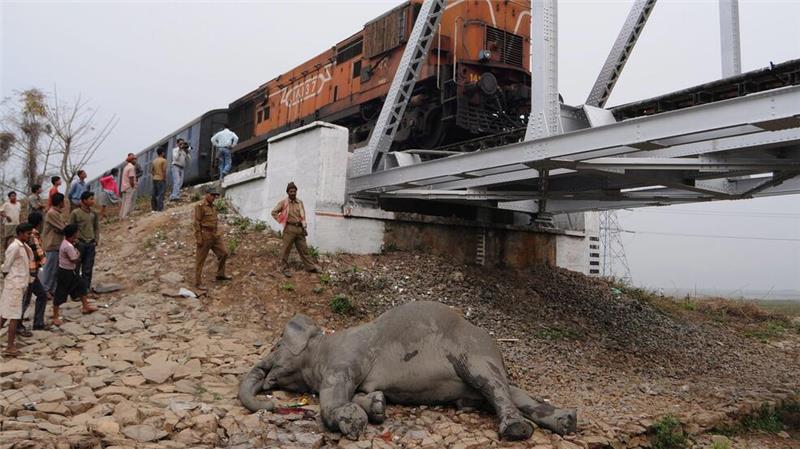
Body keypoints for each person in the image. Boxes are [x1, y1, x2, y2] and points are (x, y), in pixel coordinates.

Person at [271, 182, 318, 277]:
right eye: (291, 191)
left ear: (296, 192)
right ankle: (284, 268)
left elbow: (303, 215)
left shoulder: (300, 202)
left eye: (294, 191)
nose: (293, 193)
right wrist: (282, 220)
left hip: (299, 229)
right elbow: (274, 212)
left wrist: (304, 225)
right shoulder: (283, 203)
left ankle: (310, 267)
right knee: (286, 250)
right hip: (289, 228)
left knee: (304, 249)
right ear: (287, 192)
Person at [0, 223, 34, 357]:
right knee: (14, 316)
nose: (29, 236)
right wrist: (11, 279)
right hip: (14, 285)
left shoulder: (24, 246)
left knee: (5, 314)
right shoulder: (15, 247)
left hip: (19, 284)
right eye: (28, 234)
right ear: (20, 233)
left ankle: (10, 345)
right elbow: (6, 265)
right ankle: (10, 346)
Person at [53, 224, 97, 325]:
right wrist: (79, 254)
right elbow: (74, 259)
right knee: (60, 293)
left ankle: (85, 306)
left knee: (82, 286)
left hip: (71, 271)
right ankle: (55, 316)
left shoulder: (67, 243)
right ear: (74, 234)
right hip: (65, 272)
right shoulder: (68, 246)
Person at [193, 186, 230, 289]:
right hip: (205, 236)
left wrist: (217, 233)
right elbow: (196, 223)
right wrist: (199, 238)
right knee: (200, 260)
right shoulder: (200, 206)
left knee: (223, 253)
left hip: (214, 235)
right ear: (207, 194)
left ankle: (220, 275)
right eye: (212, 195)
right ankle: (198, 283)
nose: (214, 197)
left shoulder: (213, 207)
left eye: (215, 196)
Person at [20, 212, 52, 332]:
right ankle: (18, 324)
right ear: (39, 223)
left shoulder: (29, 234)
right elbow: (39, 254)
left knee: (40, 295)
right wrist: (45, 260)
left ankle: (37, 323)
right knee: (27, 299)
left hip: (31, 271)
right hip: (31, 271)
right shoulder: (33, 235)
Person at [70, 191, 99, 294]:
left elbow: (96, 227)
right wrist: (75, 240)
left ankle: (85, 289)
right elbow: (71, 227)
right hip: (79, 244)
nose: (93, 201)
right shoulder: (75, 213)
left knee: (88, 268)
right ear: (84, 200)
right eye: (91, 199)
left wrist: (96, 239)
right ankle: (75, 291)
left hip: (90, 244)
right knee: (76, 268)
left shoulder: (94, 213)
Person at [40, 193, 66, 295]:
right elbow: (62, 227)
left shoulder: (57, 213)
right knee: (50, 268)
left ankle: (53, 289)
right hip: (51, 244)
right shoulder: (52, 213)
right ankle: (45, 289)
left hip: (57, 244)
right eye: (63, 201)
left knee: (55, 269)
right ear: (60, 202)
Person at [119, 154, 138, 219]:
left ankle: (121, 216)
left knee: (124, 202)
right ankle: (125, 216)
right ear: (132, 160)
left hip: (124, 187)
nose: (136, 161)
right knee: (128, 202)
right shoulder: (131, 167)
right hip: (129, 187)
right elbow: (131, 178)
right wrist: (132, 186)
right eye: (135, 159)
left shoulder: (126, 167)